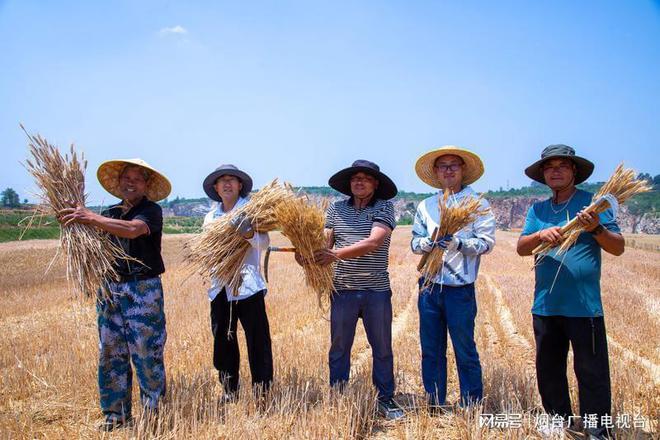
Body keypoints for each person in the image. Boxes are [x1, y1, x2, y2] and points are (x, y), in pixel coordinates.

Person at [517, 144, 624, 440]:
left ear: (574, 171)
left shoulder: (594, 205)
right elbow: (521, 248)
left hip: (584, 306)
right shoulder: (538, 210)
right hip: (546, 304)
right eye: (550, 167)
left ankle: (597, 430)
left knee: (591, 372)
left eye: (562, 165)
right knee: (548, 370)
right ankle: (558, 420)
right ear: (543, 174)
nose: (556, 171)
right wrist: (540, 235)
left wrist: (596, 229)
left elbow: (618, 247)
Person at [59, 158, 171, 431]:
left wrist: (91, 218)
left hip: (142, 290)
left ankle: (154, 418)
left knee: (146, 353)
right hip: (110, 289)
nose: (130, 183)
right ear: (119, 182)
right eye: (126, 178)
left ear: (146, 185)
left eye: (137, 179)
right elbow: (95, 243)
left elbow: (133, 230)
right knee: (110, 352)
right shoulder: (110, 212)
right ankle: (115, 416)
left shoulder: (151, 211)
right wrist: (74, 222)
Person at [304, 159, 403, 419]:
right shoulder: (336, 209)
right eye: (355, 178)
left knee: (381, 346)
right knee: (339, 346)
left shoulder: (385, 207)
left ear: (376, 184)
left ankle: (385, 398)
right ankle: (338, 396)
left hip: (375, 291)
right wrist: (309, 252)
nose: (359, 182)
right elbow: (326, 241)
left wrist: (334, 255)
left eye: (365, 178)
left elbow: (373, 242)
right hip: (342, 290)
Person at [411, 146, 495, 409]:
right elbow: (414, 243)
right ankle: (434, 401)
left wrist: (458, 243)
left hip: (460, 289)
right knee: (431, 349)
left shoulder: (477, 204)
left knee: (464, 348)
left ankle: (471, 402)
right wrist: (428, 243)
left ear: (462, 170)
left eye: (453, 165)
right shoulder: (426, 206)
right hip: (429, 286)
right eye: (442, 166)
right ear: (436, 172)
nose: (448, 170)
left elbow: (487, 243)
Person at [201, 164, 273, 400]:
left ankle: (262, 391)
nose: (227, 184)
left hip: (248, 286)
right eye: (222, 181)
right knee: (223, 341)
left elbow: (264, 245)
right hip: (220, 287)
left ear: (240, 185)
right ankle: (229, 390)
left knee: (258, 341)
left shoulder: (252, 211)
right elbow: (206, 250)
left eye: (232, 180)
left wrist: (249, 234)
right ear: (216, 188)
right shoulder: (211, 218)